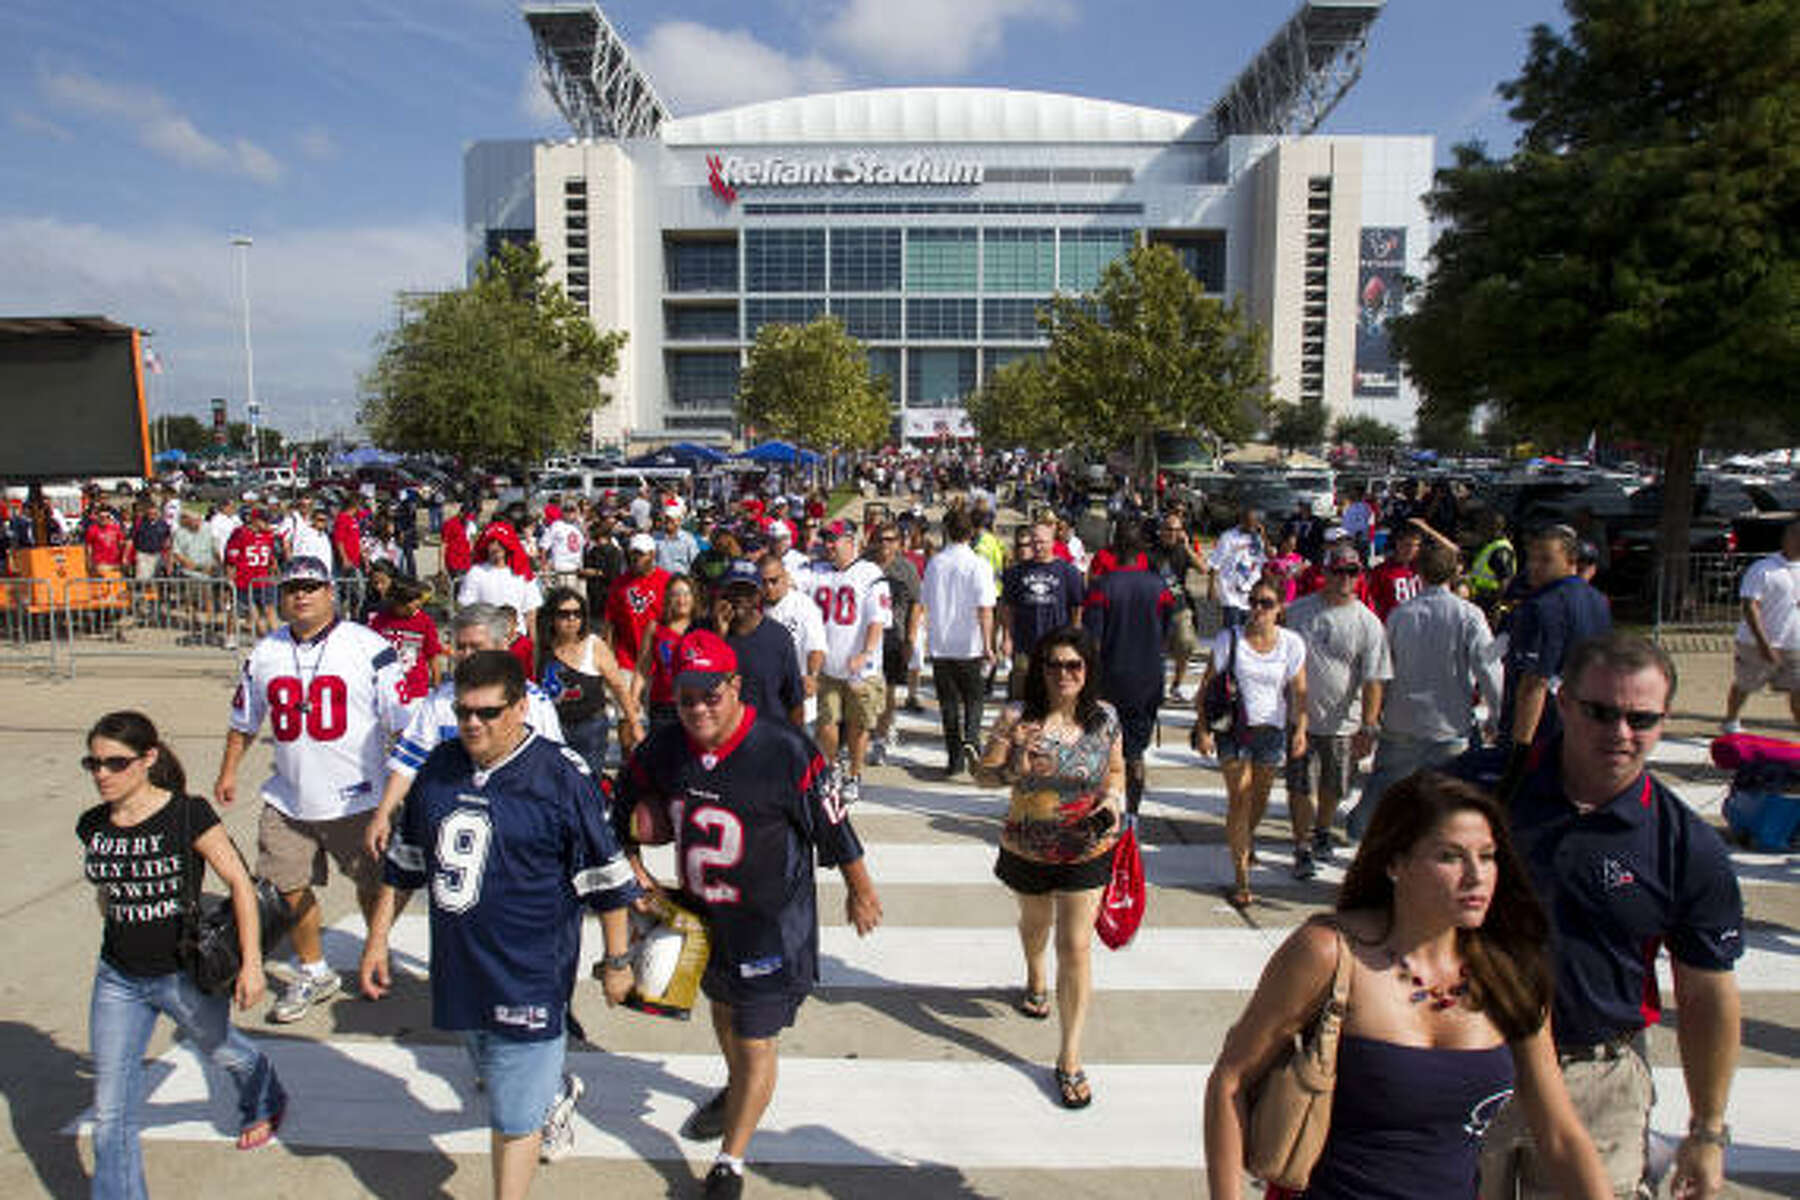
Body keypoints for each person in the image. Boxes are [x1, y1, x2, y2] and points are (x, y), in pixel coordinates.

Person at [1203, 772, 1610, 1200]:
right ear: (1395, 863)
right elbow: (1230, 1081)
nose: (1476, 876)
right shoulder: (1329, 953)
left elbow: (1561, 1136)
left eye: (1488, 856)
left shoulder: (1513, 972)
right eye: (1450, 857)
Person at [1462, 634, 1744, 1200]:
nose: (1620, 732)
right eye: (1601, 712)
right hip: (1466, 1065)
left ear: (1664, 720)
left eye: (1641, 718)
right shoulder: (1475, 789)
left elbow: (1707, 993)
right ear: (1563, 704)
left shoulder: (1684, 846)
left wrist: (1708, 1132)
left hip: (1597, 1083)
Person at [615, 630, 883, 1199]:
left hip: (771, 923)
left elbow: (832, 823)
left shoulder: (784, 748)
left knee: (755, 1036)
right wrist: (634, 864)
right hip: (702, 918)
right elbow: (620, 807)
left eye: (711, 694)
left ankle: (730, 1161)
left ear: (735, 687)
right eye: (687, 697)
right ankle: (737, 1089)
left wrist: (859, 888)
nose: (698, 708)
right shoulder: (664, 748)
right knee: (724, 1014)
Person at [361, 651, 639, 1194]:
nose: (472, 723)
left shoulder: (560, 776)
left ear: (520, 709)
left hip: (530, 971)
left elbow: (604, 878)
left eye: (487, 713)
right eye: (464, 711)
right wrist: (376, 943)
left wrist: (617, 961)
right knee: (493, 1070)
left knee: (511, 1120)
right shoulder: (439, 767)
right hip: (459, 967)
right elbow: (405, 862)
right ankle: (552, 1092)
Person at [80, 711, 288, 1197]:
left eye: (115, 763)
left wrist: (253, 965)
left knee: (220, 1048)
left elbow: (238, 882)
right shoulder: (91, 825)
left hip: (183, 973)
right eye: (93, 764)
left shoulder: (186, 813)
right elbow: (107, 892)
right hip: (117, 978)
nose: (102, 775)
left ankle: (263, 1090)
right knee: (111, 1112)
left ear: (148, 759)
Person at [213, 555, 410, 1022]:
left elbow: (404, 723)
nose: (301, 594)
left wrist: (403, 788)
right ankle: (314, 968)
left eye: (311, 586)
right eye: (292, 587)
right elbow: (244, 720)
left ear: (330, 593)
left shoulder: (368, 646)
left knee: (372, 885)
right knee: (286, 886)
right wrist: (228, 772)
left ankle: (375, 950)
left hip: (358, 797)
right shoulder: (265, 652)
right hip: (289, 797)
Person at [971, 627, 1123, 1110]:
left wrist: (1115, 801)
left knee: (1075, 945)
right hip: (1027, 848)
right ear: (1040, 669)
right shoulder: (1018, 716)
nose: (1064, 674)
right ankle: (1035, 977)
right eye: (1054, 665)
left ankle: (1070, 1057)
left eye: (1074, 665)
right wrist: (1014, 756)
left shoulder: (1105, 718)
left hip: (1087, 849)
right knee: (1036, 925)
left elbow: (1116, 770)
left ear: (1088, 670)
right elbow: (982, 778)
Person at [366, 603, 566, 859]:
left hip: (515, 828)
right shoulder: (437, 703)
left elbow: (553, 771)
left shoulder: (534, 703)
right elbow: (408, 763)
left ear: (502, 647)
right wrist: (383, 814)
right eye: (461, 647)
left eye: (477, 646)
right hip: (449, 830)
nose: (467, 654)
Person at [1353, 538, 1503, 840]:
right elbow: (1489, 666)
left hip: (1402, 719)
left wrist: (1372, 719)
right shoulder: (1469, 615)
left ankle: (1360, 833)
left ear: (1417, 572)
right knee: (1453, 796)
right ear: (1454, 573)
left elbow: (1382, 670)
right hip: (1450, 723)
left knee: (1384, 787)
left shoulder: (1400, 615)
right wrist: (1498, 713)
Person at [1190, 578, 1306, 909]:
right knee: (1240, 798)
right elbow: (1206, 688)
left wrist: (1301, 729)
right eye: (1253, 601)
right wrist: (1203, 730)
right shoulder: (1231, 638)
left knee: (1260, 799)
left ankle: (1245, 838)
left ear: (1279, 608)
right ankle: (1242, 878)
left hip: (1271, 730)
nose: (1257, 609)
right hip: (1234, 729)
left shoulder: (1291, 643)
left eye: (1266, 603)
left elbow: (1299, 690)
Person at [1283, 543, 1391, 877]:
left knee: (1334, 787)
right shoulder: (1298, 611)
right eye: (1338, 571)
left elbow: (1374, 679)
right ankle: (1302, 845)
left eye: (1352, 572)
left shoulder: (1369, 624)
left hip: (1344, 723)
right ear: (1325, 573)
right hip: (1300, 719)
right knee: (1300, 787)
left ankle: (1323, 831)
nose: (1345, 579)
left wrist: (1369, 726)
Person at [1500, 524, 1612, 771]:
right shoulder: (1598, 601)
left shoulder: (1541, 606)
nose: (1534, 566)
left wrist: (1519, 753)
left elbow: (1534, 683)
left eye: (1546, 559)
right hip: (1586, 724)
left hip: (1545, 731)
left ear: (1571, 561)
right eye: (1531, 558)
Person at [1082, 522, 1174, 816]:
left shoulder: (1102, 587)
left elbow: (1092, 642)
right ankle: (1132, 814)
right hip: (1148, 679)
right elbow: (1167, 629)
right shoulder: (1159, 587)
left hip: (1109, 680)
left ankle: (1106, 809)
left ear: (1114, 548)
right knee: (1135, 753)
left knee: (1103, 750)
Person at [803, 520, 891, 805]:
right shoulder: (816, 571)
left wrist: (865, 653)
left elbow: (878, 619)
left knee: (858, 725)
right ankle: (832, 768)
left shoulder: (870, 573)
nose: (828, 545)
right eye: (826, 539)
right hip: (828, 665)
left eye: (834, 540)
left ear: (851, 541)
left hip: (860, 668)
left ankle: (854, 773)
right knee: (826, 723)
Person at [920, 507, 999, 777]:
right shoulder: (979, 565)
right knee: (974, 698)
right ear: (971, 533)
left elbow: (925, 604)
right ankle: (972, 738)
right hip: (970, 644)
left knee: (948, 703)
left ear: (947, 532)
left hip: (942, 643)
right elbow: (985, 608)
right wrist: (988, 645)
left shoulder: (935, 564)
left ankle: (954, 758)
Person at [536, 586, 641, 777]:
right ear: (552, 617)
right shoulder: (543, 648)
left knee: (587, 783)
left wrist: (634, 722)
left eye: (577, 614)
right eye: (564, 614)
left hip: (589, 728)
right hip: (554, 728)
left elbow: (618, 686)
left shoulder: (594, 645)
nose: (572, 619)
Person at [1721, 518, 1800, 732]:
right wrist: (1764, 643)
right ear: (1786, 538)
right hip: (1755, 643)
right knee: (1745, 684)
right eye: (1795, 535)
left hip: (1794, 644)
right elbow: (1749, 605)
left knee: (1798, 688)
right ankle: (1731, 720)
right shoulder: (1764, 568)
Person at [998, 518, 1086, 699]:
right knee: (1020, 693)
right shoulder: (1016, 572)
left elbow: (1077, 605)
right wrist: (1007, 637)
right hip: (1024, 643)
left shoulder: (1068, 572)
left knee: (1054, 694)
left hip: (1056, 643)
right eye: (1034, 541)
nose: (1038, 546)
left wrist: (1075, 634)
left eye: (1042, 542)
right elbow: (1007, 607)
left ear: (1053, 542)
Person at [717, 560, 805, 726]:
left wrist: (795, 743)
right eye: (734, 591)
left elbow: (794, 699)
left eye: (747, 592)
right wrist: (719, 633)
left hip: (768, 736)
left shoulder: (779, 636)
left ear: (759, 595)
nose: (740, 598)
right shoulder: (707, 632)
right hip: (724, 735)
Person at [869, 521, 922, 764]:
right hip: (867, 637)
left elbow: (915, 605)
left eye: (890, 539)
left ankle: (879, 739)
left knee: (888, 692)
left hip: (894, 636)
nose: (885, 544)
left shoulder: (907, 569)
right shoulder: (864, 565)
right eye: (881, 539)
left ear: (899, 543)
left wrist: (910, 638)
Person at [759, 554, 826, 725]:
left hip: (796, 698)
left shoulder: (804, 605)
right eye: (763, 581)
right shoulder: (755, 606)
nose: (769, 587)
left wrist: (812, 676)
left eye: (774, 580)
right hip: (763, 700)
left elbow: (816, 647)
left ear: (786, 577)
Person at [365, 575, 445, 709]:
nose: (415, 606)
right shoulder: (379, 621)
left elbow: (432, 655)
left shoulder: (425, 621)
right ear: (396, 602)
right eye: (409, 603)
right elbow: (368, 653)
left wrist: (437, 685)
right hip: (386, 691)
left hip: (416, 692)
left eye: (418, 601)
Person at [458, 525, 544, 648]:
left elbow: (531, 614)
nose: (496, 547)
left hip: (517, 640)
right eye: (492, 542)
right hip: (487, 641)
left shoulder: (521, 573)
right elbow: (468, 611)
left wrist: (534, 646)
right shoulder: (476, 573)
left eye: (500, 542)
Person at [1151, 509, 1205, 701]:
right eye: (1168, 529)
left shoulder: (1183, 550)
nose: (1172, 533)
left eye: (1176, 530)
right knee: (1156, 652)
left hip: (1180, 607)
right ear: (1161, 531)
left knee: (1185, 645)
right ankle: (1156, 687)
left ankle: (1176, 685)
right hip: (1156, 610)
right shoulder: (1152, 552)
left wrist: (1188, 547)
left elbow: (1203, 569)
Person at [636, 573, 698, 732]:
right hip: (663, 705)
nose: (681, 599)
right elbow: (642, 668)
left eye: (686, 594)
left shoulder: (703, 626)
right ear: (668, 598)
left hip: (696, 704)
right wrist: (633, 697)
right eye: (676, 594)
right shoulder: (655, 627)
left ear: (694, 597)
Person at [604, 532, 670, 674]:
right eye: (632, 553)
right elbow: (610, 623)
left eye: (640, 554)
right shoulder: (619, 584)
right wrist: (608, 659)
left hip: (660, 661)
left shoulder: (666, 581)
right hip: (627, 660)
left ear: (652, 555)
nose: (635, 558)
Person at [1208, 507, 1265, 629]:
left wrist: (1263, 536)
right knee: (1232, 631)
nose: (1252, 526)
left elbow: (1264, 561)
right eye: (1249, 523)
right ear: (1242, 521)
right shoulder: (1228, 537)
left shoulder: (1258, 539)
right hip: (1230, 594)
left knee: (1248, 633)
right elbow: (1215, 563)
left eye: (1254, 523)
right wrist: (1211, 586)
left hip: (1250, 595)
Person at [1366, 522, 1423, 622]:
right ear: (1398, 543)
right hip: (1393, 627)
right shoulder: (1381, 571)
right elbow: (1373, 602)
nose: (1412, 550)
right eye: (1407, 545)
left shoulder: (1423, 569)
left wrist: (1426, 528)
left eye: (1416, 546)